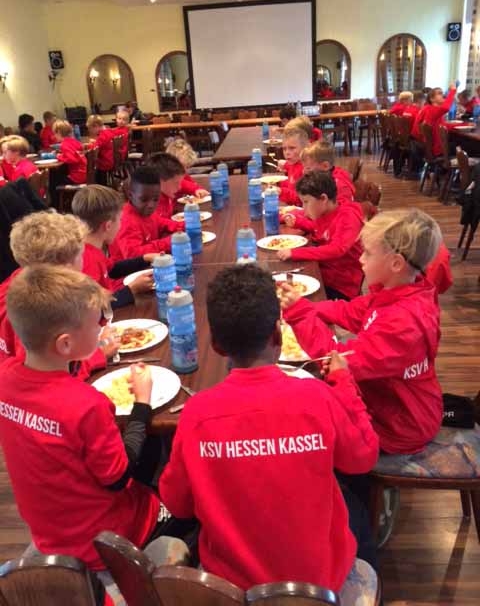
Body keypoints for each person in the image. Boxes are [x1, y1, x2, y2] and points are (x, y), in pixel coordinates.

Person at [159, 264, 379, 592]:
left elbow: (177, 504)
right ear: (278, 334)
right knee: (356, 515)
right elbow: (362, 458)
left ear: (216, 345)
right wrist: (343, 381)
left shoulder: (196, 415)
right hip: (318, 586)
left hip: (233, 591)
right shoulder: (317, 397)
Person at [0, 264, 160, 571]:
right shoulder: (86, 405)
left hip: (49, 534)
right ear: (65, 344)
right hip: (103, 541)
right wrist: (142, 403)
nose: (101, 330)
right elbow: (119, 479)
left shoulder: (5, 378)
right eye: (94, 326)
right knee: (169, 486)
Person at [279, 208, 443, 455]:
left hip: (398, 425)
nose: (361, 259)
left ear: (396, 263)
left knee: (303, 430)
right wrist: (305, 306)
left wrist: (300, 314)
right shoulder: (398, 293)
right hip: (389, 402)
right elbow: (349, 311)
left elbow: (336, 361)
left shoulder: (403, 323)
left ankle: (350, 479)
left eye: (368, 253)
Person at [0, 211, 118, 378]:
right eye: (81, 256)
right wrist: (97, 355)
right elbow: (40, 380)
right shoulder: (36, 311)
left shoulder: (13, 287)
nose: (83, 262)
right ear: (66, 268)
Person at [278, 172, 364, 301]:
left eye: (306, 202)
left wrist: (295, 253)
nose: (304, 209)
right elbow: (318, 229)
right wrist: (297, 222)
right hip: (323, 271)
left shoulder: (348, 216)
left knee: (286, 295)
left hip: (342, 285)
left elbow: (337, 249)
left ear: (323, 198)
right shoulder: (325, 212)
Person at [71, 185, 157, 308]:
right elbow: (94, 308)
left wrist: (144, 259)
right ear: (108, 226)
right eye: (120, 220)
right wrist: (132, 289)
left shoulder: (92, 247)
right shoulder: (87, 260)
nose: (121, 224)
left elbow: (112, 269)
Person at [110, 165, 182, 260]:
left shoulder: (145, 212)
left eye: (156, 199)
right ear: (130, 195)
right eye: (144, 199)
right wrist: (169, 241)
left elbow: (161, 222)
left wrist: (184, 226)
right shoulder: (126, 222)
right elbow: (133, 255)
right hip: (131, 268)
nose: (151, 205)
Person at [418, 84, 457, 157]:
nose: (443, 95)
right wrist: (453, 91)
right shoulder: (432, 110)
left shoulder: (428, 108)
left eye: (442, 93)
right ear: (432, 99)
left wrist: (463, 125)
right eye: (439, 93)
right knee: (465, 145)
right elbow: (446, 108)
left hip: (429, 147)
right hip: (436, 149)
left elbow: (442, 125)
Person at [277, 126, 309, 205]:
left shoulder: (306, 170)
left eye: (292, 148)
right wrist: (278, 183)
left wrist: (281, 192)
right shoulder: (293, 163)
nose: (287, 152)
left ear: (305, 148)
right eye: (284, 149)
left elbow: (301, 200)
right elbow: (291, 184)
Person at [53, 119, 87, 184]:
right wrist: (62, 154)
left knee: (54, 178)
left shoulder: (64, 144)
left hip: (77, 177)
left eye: (55, 133)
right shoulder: (75, 141)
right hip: (85, 174)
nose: (54, 136)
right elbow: (74, 153)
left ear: (59, 133)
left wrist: (58, 156)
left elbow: (72, 159)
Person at [86, 115, 116, 186]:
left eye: (90, 128)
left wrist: (89, 145)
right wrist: (95, 142)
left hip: (103, 163)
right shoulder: (108, 132)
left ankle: (100, 186)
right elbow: (101, 144)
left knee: (88, 165)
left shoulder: (102, 136)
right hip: (111, 159)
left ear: (96, 126)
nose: (89, 131)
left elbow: (95, 148)